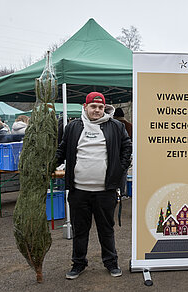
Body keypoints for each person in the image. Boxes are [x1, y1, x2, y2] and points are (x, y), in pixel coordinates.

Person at [56, 92, 132, 280]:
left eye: (100, 107)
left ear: (104, 108)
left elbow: (127, 147)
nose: (97, 110)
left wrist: (119, 169)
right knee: (80, 230)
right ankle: (78, 264)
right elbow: (62, 149)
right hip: (78, 191)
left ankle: (111, 262)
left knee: (106, 229)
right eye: (93, 106)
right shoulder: (73, 127)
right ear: (85, 107)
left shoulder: (115, 126)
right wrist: (49, 165)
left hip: (105, 191)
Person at [114, 107, 132, 197]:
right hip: (125, 154)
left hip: (114, 153)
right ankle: (122, 192)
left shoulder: (112, 125)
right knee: (123, 174)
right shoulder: (129, 125)